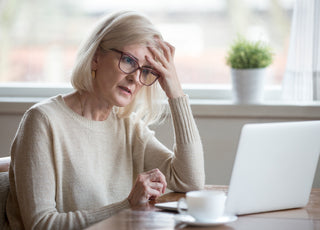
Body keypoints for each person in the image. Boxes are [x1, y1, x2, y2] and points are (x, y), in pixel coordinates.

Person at [5, 11, 205, 230]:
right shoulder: (42, 121)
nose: (135, 78)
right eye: (128, 60)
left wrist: (175, 91)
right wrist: (126, 206)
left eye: (146, 71)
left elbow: (189, 181)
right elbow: (40, 225)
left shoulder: (129, 126)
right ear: (95, 57)